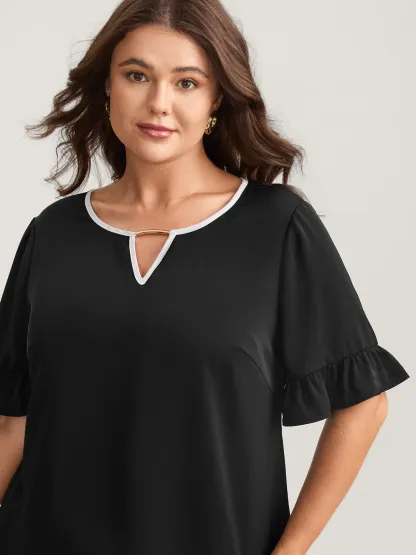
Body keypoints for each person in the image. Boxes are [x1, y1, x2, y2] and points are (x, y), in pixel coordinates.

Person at [0, 0, 410, 554]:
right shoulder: (54, 233)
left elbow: (363, 405)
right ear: (107, 86)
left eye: (187, 82)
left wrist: (288, 552)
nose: (159, 102)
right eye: (137, 75)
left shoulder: (277, 227)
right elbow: (12, 422)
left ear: (216, 99)